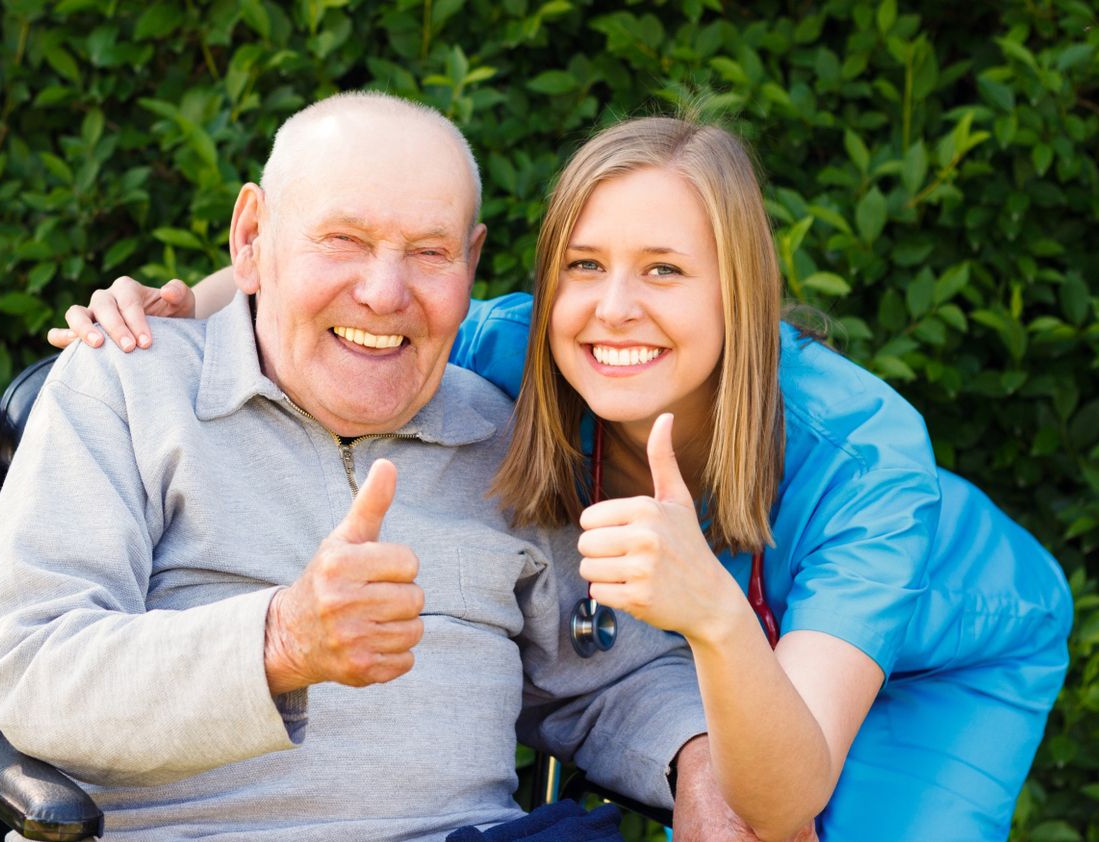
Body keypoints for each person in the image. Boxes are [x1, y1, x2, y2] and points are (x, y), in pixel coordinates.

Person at [59, 115, 1073, 841]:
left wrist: (717, 617)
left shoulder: (865, 456)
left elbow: (785, 792)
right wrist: (187, 298)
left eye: (666, 269)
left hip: (936, 651)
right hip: (698, 628)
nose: (612, 307)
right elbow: (365, 279)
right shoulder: (513, 350)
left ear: (743, 289)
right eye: (584, 265)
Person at [0, 93, 718, 841]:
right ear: (251, 237)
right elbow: (29, 664)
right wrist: (279, 643)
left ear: (472, 261)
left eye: (429, 252)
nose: (384, 293)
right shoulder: (128, 386)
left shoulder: (503, 434)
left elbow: (609, 678)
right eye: (344, 240)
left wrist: (697, 764)